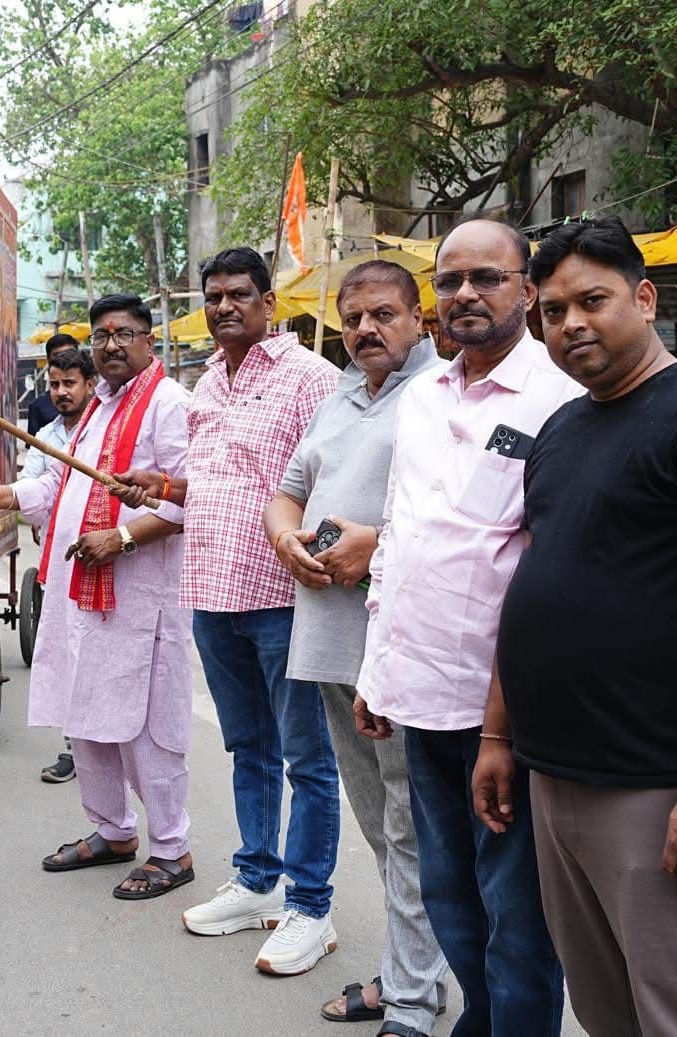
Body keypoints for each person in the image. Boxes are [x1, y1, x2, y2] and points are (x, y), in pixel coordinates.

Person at [483, 217, 677, 1037]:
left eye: (593, 300)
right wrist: (497, 735)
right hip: (556, 777)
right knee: (605, 1010)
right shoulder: (562, 430)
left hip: (657, 787)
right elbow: (533, 585)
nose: (570, 323)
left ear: (644, 299)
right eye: (552, 311)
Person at [356, 218, 580, 1033]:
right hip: (419, 698)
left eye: (487, 277)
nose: (465, 294)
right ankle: (482, 1019)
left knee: (515, 913)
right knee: (449, 897)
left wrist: (499, 728)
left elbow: (547, 574)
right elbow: (398, 538)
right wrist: (377, 670)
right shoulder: (422, 396)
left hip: (504, 712)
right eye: (450, 280)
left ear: (528, 289)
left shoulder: (560, 400)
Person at [262, 261, 447, 1036]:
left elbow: (467, 515)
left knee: (410, 824)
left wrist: (380, 542)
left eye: (383, 314)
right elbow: (288, 491)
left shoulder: (444, 392)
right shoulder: (339, 396)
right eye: (353, 318)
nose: (366, 329)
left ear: (418, 319)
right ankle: (416, 971)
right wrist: (285, 539)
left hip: (402, 643)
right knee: (379, 821)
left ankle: (411, 996)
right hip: (332, 637)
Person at [0, 294, 196, 900]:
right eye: (101, 336)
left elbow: (190, 497)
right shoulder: (99, 406)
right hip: (79, 592)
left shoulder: (169, 404)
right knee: (86, 714)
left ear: (149, 340)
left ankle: (172, 848)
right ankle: (113, 831)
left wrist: (122, 538)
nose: (111, 344)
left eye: (124, 333)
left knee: (143, 725)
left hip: (139, 597)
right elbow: (57, 486)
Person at [180, 246, 342, 976]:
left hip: (283, 598)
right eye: (214, 296)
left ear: (269, 303)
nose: (224, 307)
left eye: (239, 294)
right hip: (212, 592)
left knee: (307, 757)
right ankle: (256, 881)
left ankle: (310, 905)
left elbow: (340, 475)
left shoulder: (311, 377)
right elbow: (209, 482)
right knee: (248, 746)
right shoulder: (207, 380)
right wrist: (159, 488)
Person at [22, 347, 97, 783]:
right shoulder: (47, 436)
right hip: (58, 556)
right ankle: (75, 749)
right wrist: (1, 497)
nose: (61, 392)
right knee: (68, 652)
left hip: (105, 554)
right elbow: (36, 488)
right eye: (54, 384)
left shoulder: (103, 428)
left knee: (95, 654)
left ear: (90, 384)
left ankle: (106, 749)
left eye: (70, 383)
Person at [26, 333, 80, 438]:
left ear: (89, 384)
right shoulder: (38, 407)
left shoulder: (100, 404)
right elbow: (33, 445)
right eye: (57, 357)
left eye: (69, 355)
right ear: (49, 361)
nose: (63, 362)